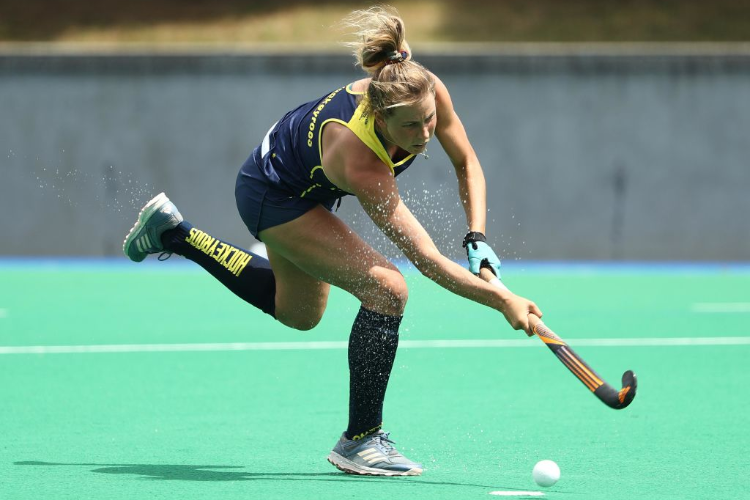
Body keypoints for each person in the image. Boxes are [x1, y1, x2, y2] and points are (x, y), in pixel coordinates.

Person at [123, 6, 542, 477]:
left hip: (296, 182)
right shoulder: (358, 158)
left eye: (428, 121)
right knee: (388, 288)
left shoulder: (421, 89)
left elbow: (466, 162)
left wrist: (477, 237)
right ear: (380, 119)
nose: (425, 135)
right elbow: (424, 259)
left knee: (299, 314)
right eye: (410, 127)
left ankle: (174, 234)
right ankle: (360, 440)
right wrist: (501, 298)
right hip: (271, 195)